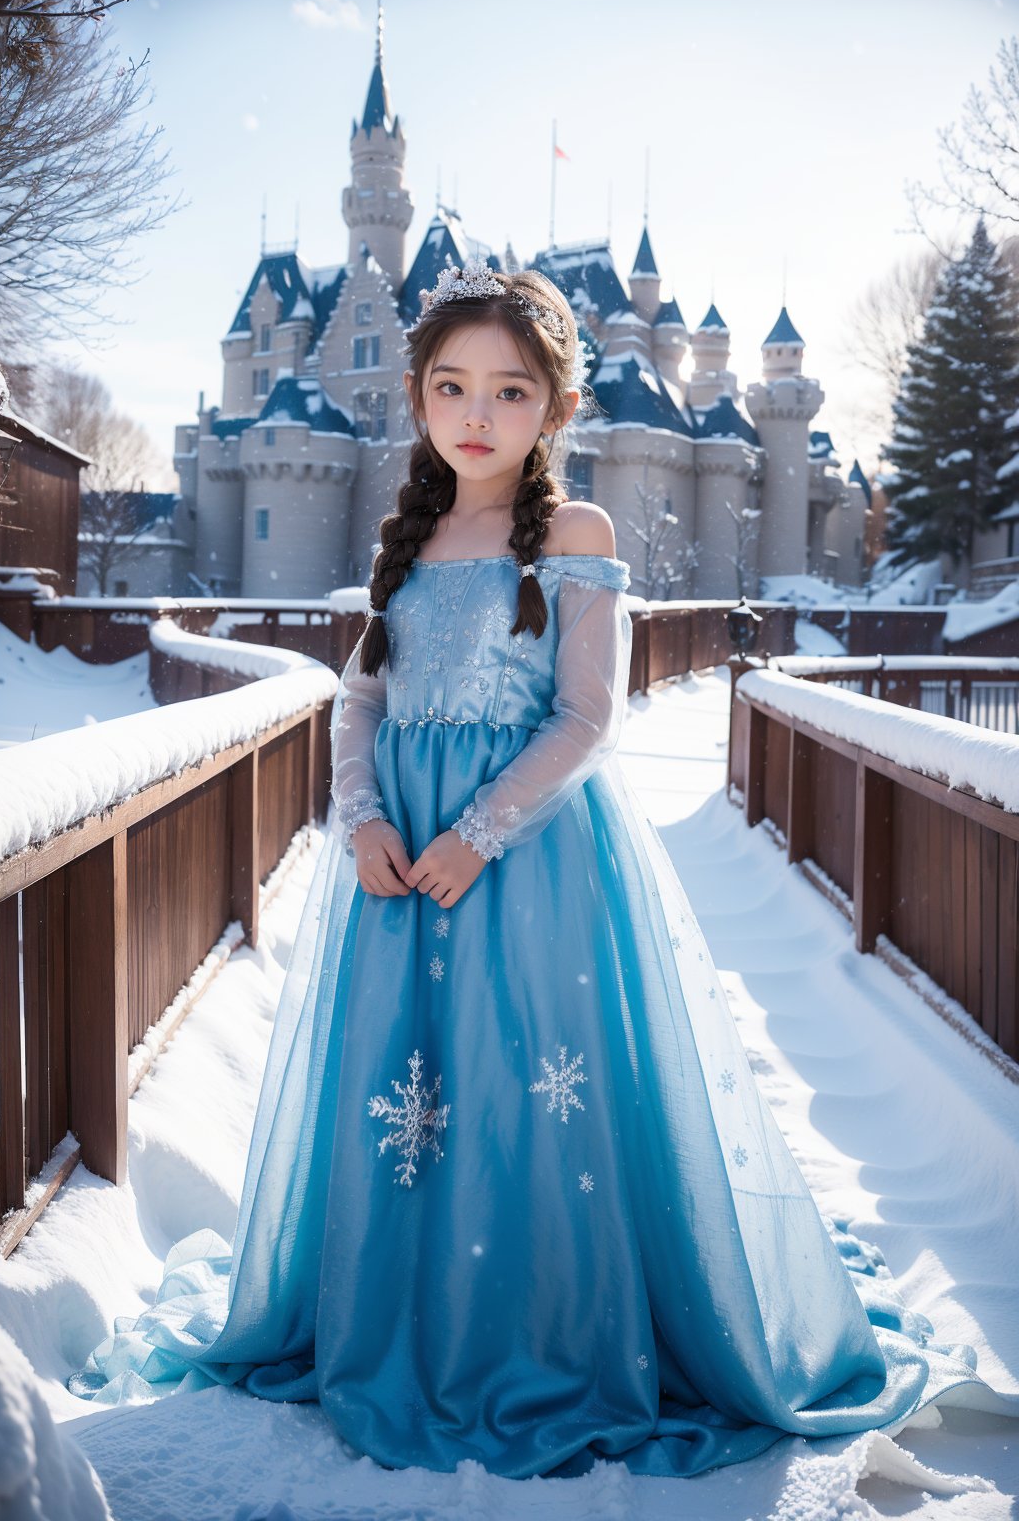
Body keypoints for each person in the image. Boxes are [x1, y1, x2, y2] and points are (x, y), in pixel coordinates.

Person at [68, 259, 1019, 1480]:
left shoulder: (577, 533)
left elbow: (587, 717)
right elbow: (359, 702)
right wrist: (362, 821)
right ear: (416, 397)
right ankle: (398, 1313)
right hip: (401, 858)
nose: (478, 415)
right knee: (410, 1089)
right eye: (453, 387)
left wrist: (479, 834)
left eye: (509, 393)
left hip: (528, 865)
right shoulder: (403, 539)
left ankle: (535, 1331)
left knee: (528, 1085)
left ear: (555, 409)